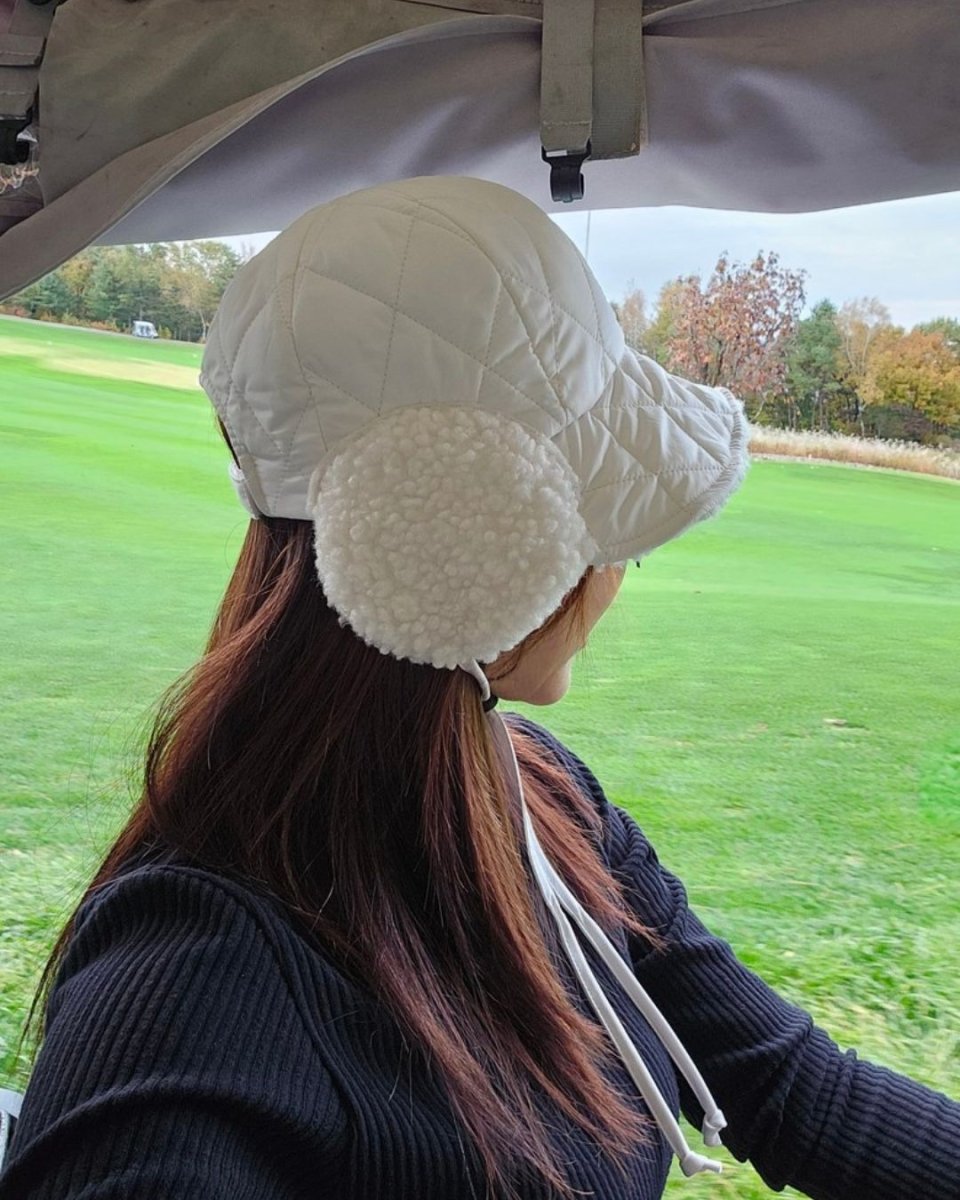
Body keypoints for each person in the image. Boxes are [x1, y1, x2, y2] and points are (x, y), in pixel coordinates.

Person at [1, 177, 957, 1200]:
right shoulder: (192, 976)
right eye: (611, 530)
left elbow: (797, 1091)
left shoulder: (542, 799)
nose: (620, 574)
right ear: (483, 553)